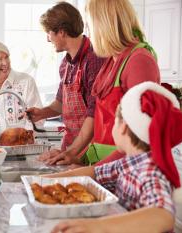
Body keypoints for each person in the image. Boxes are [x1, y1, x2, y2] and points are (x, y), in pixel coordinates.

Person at [49, 82, 182, 233]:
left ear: (123, 127)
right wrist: (45, 180)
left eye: (114, 121)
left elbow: (163, 215)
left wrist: (98, 226)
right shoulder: (129, 163)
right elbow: (94, 173)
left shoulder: (150, 171)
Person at [44, 0, 160, 166]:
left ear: (105, 25)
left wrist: (91, 171)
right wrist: (75, 157)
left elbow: (140, 142)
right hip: (103, 165)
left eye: (91, 25)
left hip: (122, 171)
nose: (89, 32)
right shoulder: (111, 62)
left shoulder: (139, 61)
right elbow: (99, 126)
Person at [26, 1, 105, 165]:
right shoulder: (66, 64)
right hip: (70, 147)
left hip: (89, 150)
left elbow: (95, 113)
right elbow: (61, 104)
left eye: (49, 33)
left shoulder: (94, 59)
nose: (48, 39)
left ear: (61, 32)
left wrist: (72, 152)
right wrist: (42, 113)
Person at [0, 41, 43, 133]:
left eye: (6, 57)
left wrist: (24, 137)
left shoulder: (26, 81)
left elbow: (38, 118)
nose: (5, 62)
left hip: (21, 141)